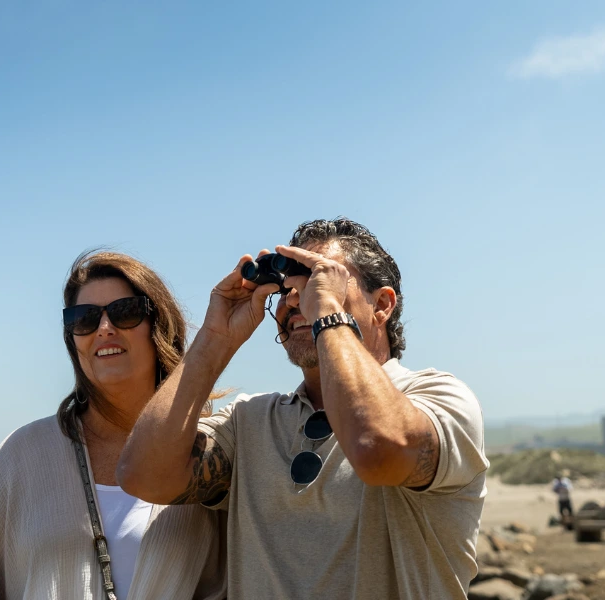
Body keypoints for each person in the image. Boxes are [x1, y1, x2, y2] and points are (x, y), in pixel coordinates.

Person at [118, 218, 488, 599]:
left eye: (316, 279)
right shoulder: (250, 422)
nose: (295, 298)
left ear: (381, 305)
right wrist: (215, 339)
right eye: (287, 287)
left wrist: (326, 310)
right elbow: (142, 475)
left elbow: (377, 447)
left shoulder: (439, 399)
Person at [0, 251, 226, 600]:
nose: (105, 328)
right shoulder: (21, 457)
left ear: (158, 326)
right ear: (73, 338)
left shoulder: (210, 452)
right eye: (85, 318)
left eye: (125, 311)